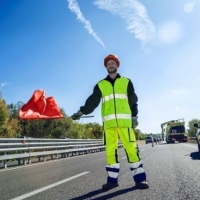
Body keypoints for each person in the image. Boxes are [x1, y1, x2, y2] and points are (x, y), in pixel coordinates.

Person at [71, 54, 149, 191]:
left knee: (131, 150)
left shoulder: (126, 82)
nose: (110, 65)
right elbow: (92, 101)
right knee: (110, 152)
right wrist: (81, 112)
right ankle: (112, 181)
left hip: (125, 124)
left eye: (113, 63)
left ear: (117, 65)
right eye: (108, 64)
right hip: (109, 126)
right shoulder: (101, 85)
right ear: (106, 67)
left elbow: (133, 100)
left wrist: (134, 116)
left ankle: (140, 180)